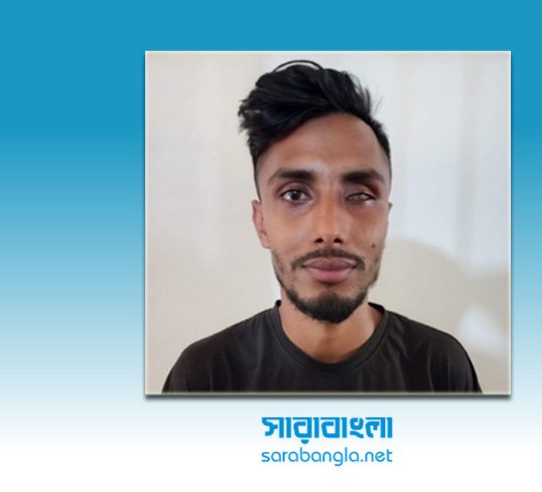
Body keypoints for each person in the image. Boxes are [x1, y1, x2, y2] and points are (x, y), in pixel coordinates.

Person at [163, 60, 480, 393]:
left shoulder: (440, 367)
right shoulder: (204, 376)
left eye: (360, 195)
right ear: (261, 223)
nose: (329, 230)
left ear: (385, 220)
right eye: (295, 194)